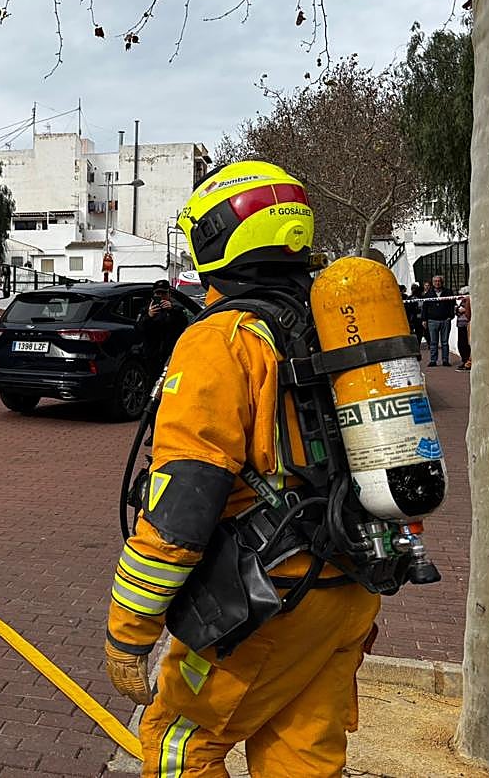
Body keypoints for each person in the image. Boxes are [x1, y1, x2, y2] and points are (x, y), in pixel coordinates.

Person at [105, 161, 380, 777]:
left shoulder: (223, 339)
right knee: (301, 756)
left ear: (214, 241)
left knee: (179, 746)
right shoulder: (337, 329)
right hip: (349, 587)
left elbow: (181, 506)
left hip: (266, 604)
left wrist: (129, 630)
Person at [135, 280, 188, 377]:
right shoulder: (146, 310)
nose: (161, 296)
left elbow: (184, 325)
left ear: (169, 294)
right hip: (151, 355)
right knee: (151, 380)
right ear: (154, 295)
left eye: (164, 293)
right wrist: (149, 316)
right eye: (158, 293)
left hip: (170, 354)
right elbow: (139, 329)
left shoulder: (176, 309)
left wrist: (172, 311)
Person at [421, 275, 454, 367]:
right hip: (432, 321)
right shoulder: (428, 294)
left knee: (445, 342)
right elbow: (425, 307)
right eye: (435, 281)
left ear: (442, 282)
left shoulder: (448, 292)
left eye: (439, 281)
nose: (437, 283)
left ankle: (445, 360)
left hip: (445, 320)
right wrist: (424, 319)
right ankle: (433, 360)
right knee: (433, 342)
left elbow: (452, 304)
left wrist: (450, 316)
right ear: (433, 283)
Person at [456, 287, 472, 371]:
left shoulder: (470, 300)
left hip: (467, 324)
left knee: (467, 344)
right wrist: (457, 310)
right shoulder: (461, 302)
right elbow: (456, 311)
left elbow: (469, 312)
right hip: (460, 324)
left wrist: (465, 310)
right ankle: (464, 360)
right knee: (461, 344)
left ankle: (468, 361)